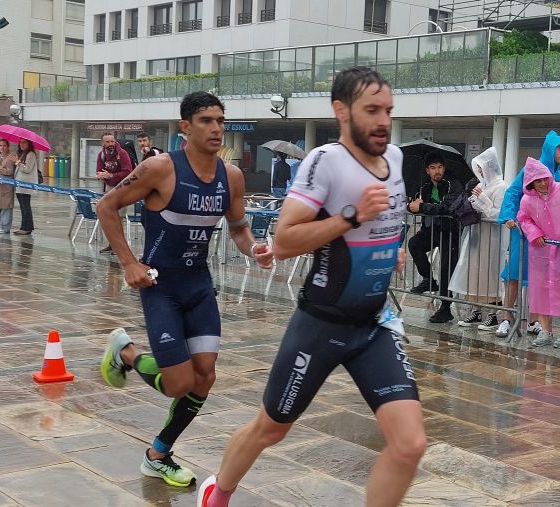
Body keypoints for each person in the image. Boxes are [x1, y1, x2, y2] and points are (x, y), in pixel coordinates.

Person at [197, 67, 425, 507]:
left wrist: (391, 246)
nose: (383, 121)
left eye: (388, 111)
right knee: (272, 428)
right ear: (341, 111)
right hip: (321, 324)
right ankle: (218, 492)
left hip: (374, 324)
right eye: (372, 110)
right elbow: (284, 239)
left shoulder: (395, 159)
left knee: (410, 444)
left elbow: (385, 221)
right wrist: (350, 217)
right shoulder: (326, 161)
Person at [97, 91, 272, 487]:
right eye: (206, 120)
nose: (215, 128)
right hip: (160, 284)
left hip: (198, 282)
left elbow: (239, 228)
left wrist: (254, 249)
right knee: (178, 383)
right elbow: (107, 205)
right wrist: (129, 262)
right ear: (185, 127)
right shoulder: (159, 168)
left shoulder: (233, 176)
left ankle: (158, 454)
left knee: (205, 376)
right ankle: (126, 353)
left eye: (220, 121)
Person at [496, 130, 560, 339]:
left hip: (547, 242)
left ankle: (533, 321)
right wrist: (509, 217)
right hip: (523, 236)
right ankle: (506, 317)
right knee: (514, 275)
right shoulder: (531, 169)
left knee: (539, 280)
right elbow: (513, 192)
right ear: (550, 149)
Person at [516, 157, 560, 348]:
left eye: (544, 179)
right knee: (540, 289)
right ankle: (545, 330)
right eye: (537, 180)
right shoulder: (527, 199)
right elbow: (523, 219)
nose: (542, 183)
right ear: (531, 182)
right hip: (540, 251)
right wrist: (534, 233)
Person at [449, 147, 507, 330]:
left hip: (492, 237)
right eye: (478, 169)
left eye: (483, 168)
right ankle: (475, 310)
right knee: (474, 272)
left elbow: (499, 214)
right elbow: (474, 204)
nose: (480, 172)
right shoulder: (482, 185)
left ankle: (493, 313)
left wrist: (482, 201)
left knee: (490, 273)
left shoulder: (501, 187)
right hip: (476, 235)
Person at [407, 152, 461, 323]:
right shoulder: (424, 187)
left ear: (444, 168)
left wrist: (424, 206)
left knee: (446, 268)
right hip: (430, 230)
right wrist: (411, 206)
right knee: (414, 243)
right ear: (427, 170)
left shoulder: (453, 183)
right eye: (433, 168)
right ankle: (429, 279)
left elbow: (447, 207)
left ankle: (445, 308)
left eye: (440, 167)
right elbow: (415, 205)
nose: (437, 171)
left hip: (450, 231)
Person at [96, 132, 134, 253]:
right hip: (108, 187)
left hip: (122, 188)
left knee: (119, 218)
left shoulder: (122, 153)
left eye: (112, 141)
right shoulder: (101, 155)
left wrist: (111, 175)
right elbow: (98, 169)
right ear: (103, 143)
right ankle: (111, 244)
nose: (110, 144)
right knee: (109, 216)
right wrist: (101, 175)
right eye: (107, 142)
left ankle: (119, 246)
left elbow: (128, 172)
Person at [0, 139, 17, 234]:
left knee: (6, 207)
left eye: (4, 145)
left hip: (6, 186)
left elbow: (10, 171)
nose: (2, 147)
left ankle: (5, 227)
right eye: (0, 145)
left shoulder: (11, 157)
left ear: (8, 146)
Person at [12, 139, 38, 236]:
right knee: (23, 207)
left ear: (29, 144)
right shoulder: (23, 154)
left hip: (25, 185)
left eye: (24, 142)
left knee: (25, 206)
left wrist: (18, 162)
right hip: (19, 184)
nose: (22, 145)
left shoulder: (30, 154)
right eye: (20, 142)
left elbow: (27, 169)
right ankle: (24, 227)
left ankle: (27, 227)